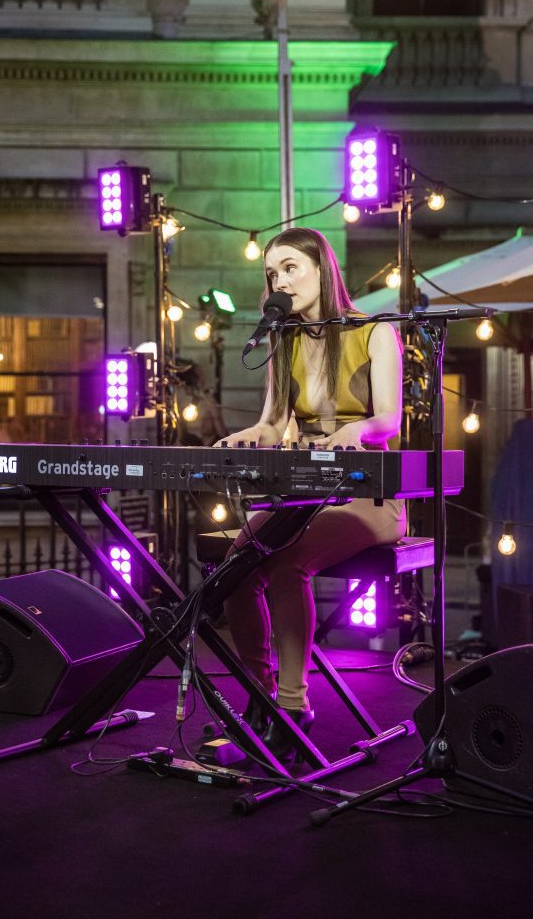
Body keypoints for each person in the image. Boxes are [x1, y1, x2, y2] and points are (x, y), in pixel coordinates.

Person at [216, 227, 406, 761]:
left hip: (371, 495)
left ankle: (294, 704)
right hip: (307, 491)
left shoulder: (374, 332)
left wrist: (358, 431)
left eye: (290, 268)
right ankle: (260, 696)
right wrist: (248, 436)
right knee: (237, 566)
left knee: (286, 564)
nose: (280, 280)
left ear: (322, 269)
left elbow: (388, 417)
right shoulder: (286, 338)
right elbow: (274, 423)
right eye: (272, 273)